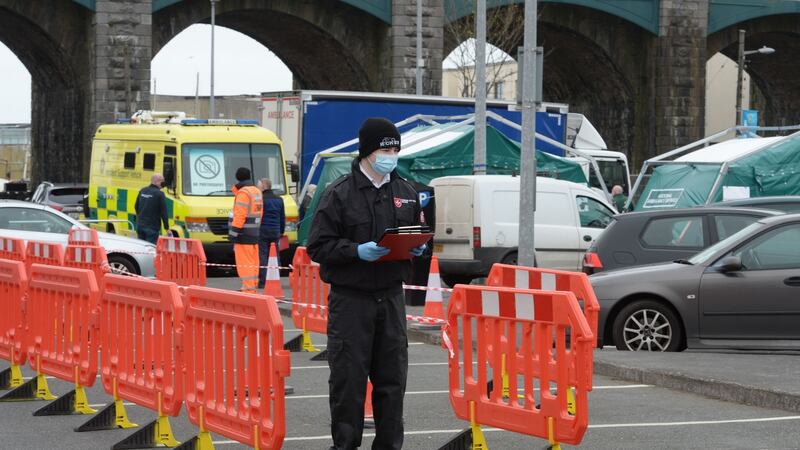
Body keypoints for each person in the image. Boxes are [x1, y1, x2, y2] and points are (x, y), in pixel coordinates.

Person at [308, 117, 426, 450]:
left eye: (395, 148)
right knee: (349, 383)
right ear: (367, 151)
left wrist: (419, 246)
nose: (391, 154)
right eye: (385, 147)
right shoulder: (339, 194)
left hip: (390, 299)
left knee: (392, 383)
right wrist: (356, 251)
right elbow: (318, 246)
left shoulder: (405, 192)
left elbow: (418, 231)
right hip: (351, 302)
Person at [228, 167, 263, 294]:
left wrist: (233, 233)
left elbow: (240, 215)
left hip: (243, 234)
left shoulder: (243, 193)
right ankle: (252, 287)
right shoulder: (256, 191)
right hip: (254, 233)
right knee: (253, 262)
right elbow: (260, 213)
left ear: (238, 177)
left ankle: (248, 290)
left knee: (244, 264)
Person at [257, 178, 285, 289]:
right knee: (275, 255)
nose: (258, 188)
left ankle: (263, 281)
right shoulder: (279, 199)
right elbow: (282, 217)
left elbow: (258, 215)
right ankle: (275, 278)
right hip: (275, 231)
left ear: (264, 187)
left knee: (263, 255)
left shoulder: (260, 199)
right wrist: (281, 231)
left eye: (259, 186)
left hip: (263, 230)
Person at [134, 173, 169, 244]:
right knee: (150, 249)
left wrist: (140, 218)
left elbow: (136, 206)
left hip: (140, 225)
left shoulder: (142, 190)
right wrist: (167, 228)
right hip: (152, 227)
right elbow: (163, 212)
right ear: (158, 182)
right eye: (162, 182)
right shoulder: (160, 194)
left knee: (141, 247)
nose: (163, 184)